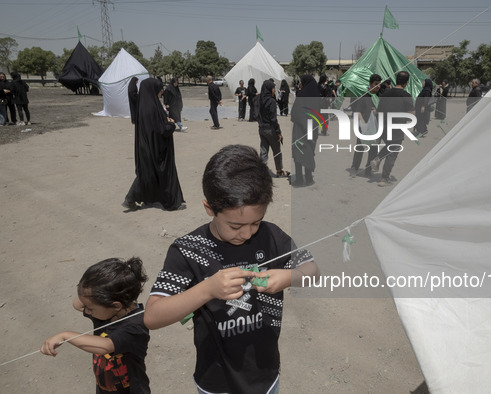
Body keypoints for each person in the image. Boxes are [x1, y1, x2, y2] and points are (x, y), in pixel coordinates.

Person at [144, 144, 319, 394]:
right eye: (235, 226)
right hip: (215, 380)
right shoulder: (188, 250)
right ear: (209, 209)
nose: (246, 233)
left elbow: (313, 271)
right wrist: (207, 289)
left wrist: (292, 276)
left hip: (265, 373)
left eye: (255, 223)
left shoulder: (271, 237)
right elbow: (152, 316)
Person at [41, 257, 150, 393]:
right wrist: (87, 292)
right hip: (105, 386)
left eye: (90, 308)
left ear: (115, 306)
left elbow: (105, 346)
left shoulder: (135, 326)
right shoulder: (105, 312)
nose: (86, 311)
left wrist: (65, 335)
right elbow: (77, 304)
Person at [123, 77, 185, 211]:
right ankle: (131, 198)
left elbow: (132, 94)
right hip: (154, 147)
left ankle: (142, 199)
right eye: (159, 90)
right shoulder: (151, 107)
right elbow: (161, 131)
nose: (161, 92)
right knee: (149, 173)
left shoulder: (144, 104)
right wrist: (170, 124)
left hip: (146, 145)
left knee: (148, 172)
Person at [370, 70, 415, 187]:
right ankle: (384, 178)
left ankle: (378, 158)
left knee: (390, 146)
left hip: (384, 127)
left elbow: (378, 111)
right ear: (406, 83)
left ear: (396, 79)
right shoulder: (406, 96)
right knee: (393, 153)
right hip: (397, 128)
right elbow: (411, 114)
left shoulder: (385, 93)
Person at [349, 73, 382, 178]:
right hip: (363, 127)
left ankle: (368, 169)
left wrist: (377, 112)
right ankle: (354, 168)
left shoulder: (379, 96)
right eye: (376, 84)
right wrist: (363, 124)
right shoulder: (364, 96)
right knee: (360, 147)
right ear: (370, 84)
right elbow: (358, 112)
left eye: (379, 84)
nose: (378, 86)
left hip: (376, 128)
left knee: (373, 149)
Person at [291, 74, 320, 187]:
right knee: (308, 152)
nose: (300, 84)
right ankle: (308, 178)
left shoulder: (302, 95)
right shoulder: (316, 95)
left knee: (298, 151)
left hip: (300, 129)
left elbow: (295, 113)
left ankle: (299, 179)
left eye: (301, 82)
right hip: (312, 129)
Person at [258, 79, 290, 178]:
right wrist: (278, 132)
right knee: (276, 150)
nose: (274, 90)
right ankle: (279, 171)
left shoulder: (259, 99)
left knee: (263, 151)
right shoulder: (271, 101)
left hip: (261, 128)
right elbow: (273, 119)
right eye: (273, 88)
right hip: (270, 129)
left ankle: (261, 172)